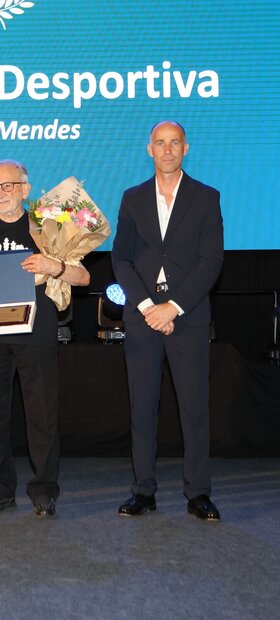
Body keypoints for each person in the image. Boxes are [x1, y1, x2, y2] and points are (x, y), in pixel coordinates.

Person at [0, 160, 90, 517]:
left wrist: (52, 266)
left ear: (25, 189)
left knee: (42, 416)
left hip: (36, 334)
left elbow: (84, 278)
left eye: (8, 185)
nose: (0, 193)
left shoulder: (49, 225)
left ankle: (44, 490)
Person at [111, 121, 224, 521]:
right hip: (142, 318)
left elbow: (211, 261)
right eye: (160, 143)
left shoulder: (207, 197)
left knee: (194, 409)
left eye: (175, 143)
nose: (168, 149)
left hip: (187, 318)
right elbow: (120, 258)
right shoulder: (132, 198)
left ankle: (198, 493)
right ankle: (143, 491)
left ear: (185, 148)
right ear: (150, 150)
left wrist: (172, 307)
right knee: (142, 408)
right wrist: (148, 307)